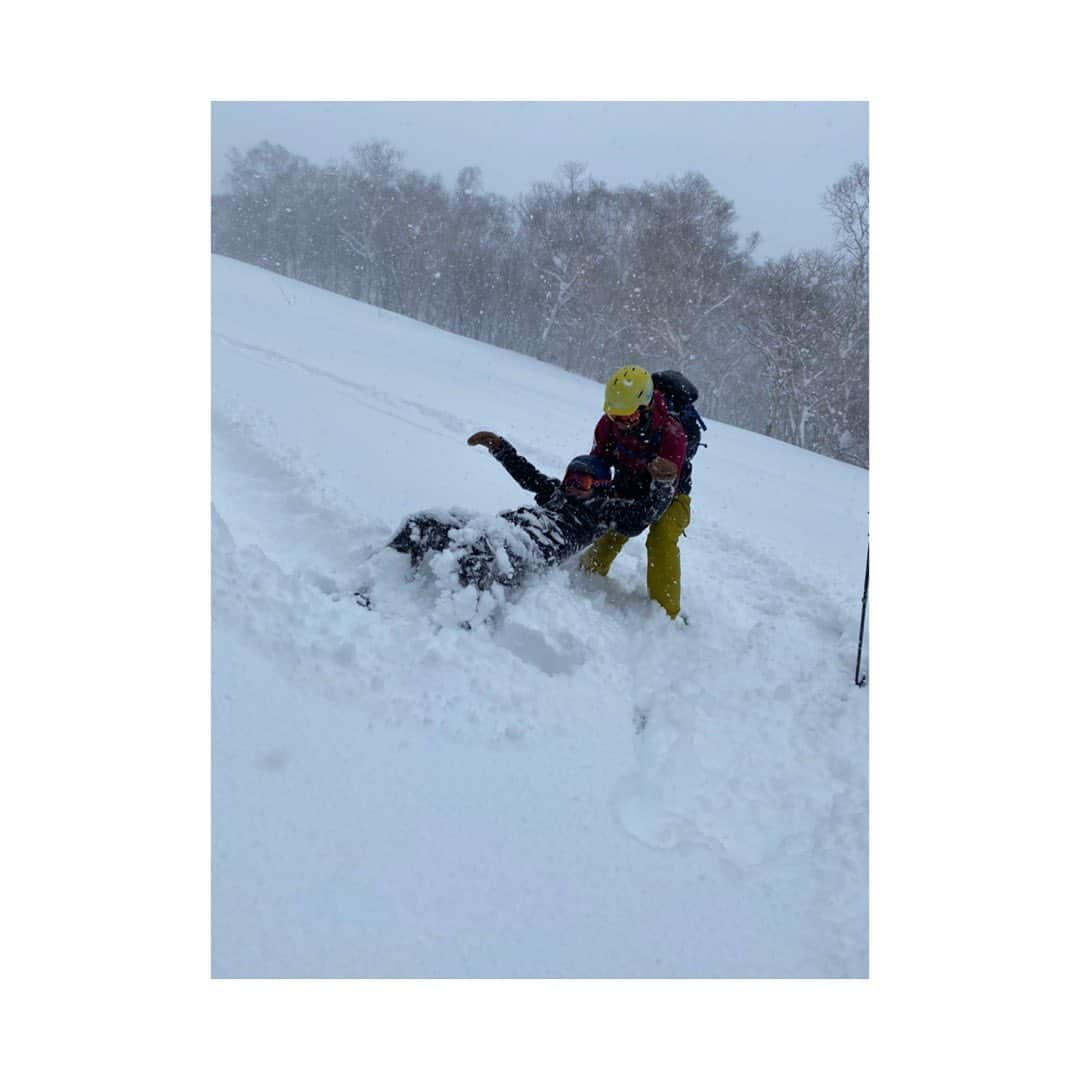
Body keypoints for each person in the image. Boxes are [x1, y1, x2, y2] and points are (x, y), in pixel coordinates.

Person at [384, 431, 676, 595]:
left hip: (529, 551)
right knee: (423, 522)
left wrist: (663, 485)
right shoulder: (556, 493)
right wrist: (499, 447)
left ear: (599, 487)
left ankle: (456, 617)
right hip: (501, 528)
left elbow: (642, 516)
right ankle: (383, 576)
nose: (572, 487)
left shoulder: (602, 512)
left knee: (477, 551)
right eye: (570, 478)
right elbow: (527, 474)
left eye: (582, 482)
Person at [580, 365, 692, 619]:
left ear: (646, 407)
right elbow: (598, 461)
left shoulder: (673, 434)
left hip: (672, 496)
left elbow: (658, 502)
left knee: (661, 538)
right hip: (627, 485)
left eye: (627, 417)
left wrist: (632, 517)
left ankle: (667, 615)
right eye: (614, 416)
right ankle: (584, 578)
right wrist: (587, 487)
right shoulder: (609, 424)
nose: (621, 424)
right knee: (611, 527)